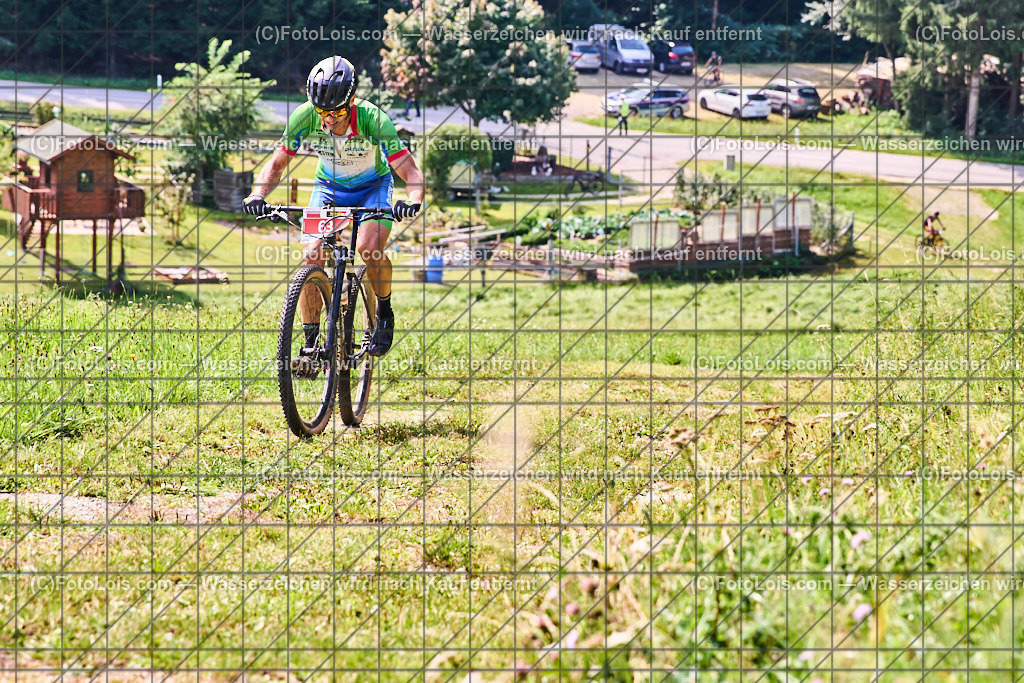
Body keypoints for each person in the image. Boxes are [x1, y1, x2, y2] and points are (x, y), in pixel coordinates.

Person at [243, 56, 425, 360]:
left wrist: (413, 200)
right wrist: (257, 195)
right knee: (312, 255)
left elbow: (410, 171)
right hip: (329, 189)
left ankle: (385, 309)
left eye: (338, 111)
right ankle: (312, 342)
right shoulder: (304, 117)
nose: (329, 119)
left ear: (352, 101)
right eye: (322, 111)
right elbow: (276, 164)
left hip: (373, 188)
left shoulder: (373, 119)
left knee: (369, 248)